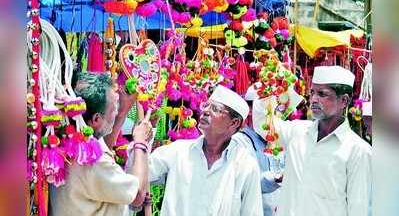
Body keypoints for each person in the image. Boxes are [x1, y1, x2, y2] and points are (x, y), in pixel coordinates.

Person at [253, 66, 372, 216]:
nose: (314, 99)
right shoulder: (297, 131)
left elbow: (358, 208)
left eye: (322, 94)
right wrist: (276, 92)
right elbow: (262, 123)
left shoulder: (358, 150)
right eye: (312, 92)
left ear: (344, 101)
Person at [147, 85, 263, 216]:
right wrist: (144, 136)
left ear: (234, 123)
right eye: (206, 106)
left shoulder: (245, 165)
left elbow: (252, 212)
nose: (206, 111)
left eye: (215, 109)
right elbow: (142, 173)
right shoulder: (178, 151)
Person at [50, 71, 153, 216]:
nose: (116, 111)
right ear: (96, 119)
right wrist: (141, 142)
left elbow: (104, 146)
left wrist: (123, 112)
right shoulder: (94, 162)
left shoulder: (72, 140)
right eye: (114, 108)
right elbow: (138, 196)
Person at [232, 83, 283, 216]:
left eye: (275, 109)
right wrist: (277, 178)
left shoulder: (279, 138)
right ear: (250, 111)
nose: (273, 116)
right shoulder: (239, 141)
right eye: (266, 110)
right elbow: (246, 184)